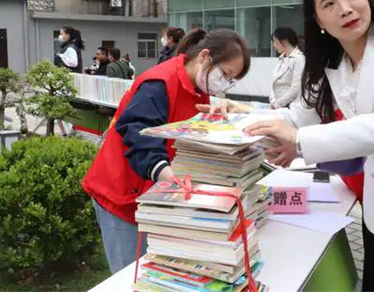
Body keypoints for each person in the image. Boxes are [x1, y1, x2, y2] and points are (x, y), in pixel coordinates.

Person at [208, 0, 374, 292]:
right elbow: (298, 117)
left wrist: (298, 140)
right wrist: (236, 118)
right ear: (319, 21)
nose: (345, 9)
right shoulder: (333, 61)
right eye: (329, 4)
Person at [82, 28, 250, 274]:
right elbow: (138, 132)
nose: (224, 83)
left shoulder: (198, 88)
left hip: (156, 195)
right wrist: (166, 173)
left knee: (156, 274)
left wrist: (220, 109)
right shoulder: (160, 82)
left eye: (230, 80)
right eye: (224, 74)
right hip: (121, 192)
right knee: (131, 275)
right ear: (204, 56)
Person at [269, 27, 305, 109]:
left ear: (285, 41)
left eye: (276, 42)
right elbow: (273, 83)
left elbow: (296, 87)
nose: (274, 46)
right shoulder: (281, 59)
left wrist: (278, 104)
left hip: (292, 106)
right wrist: (273, 101)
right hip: (278, 106)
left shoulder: (299, 59)